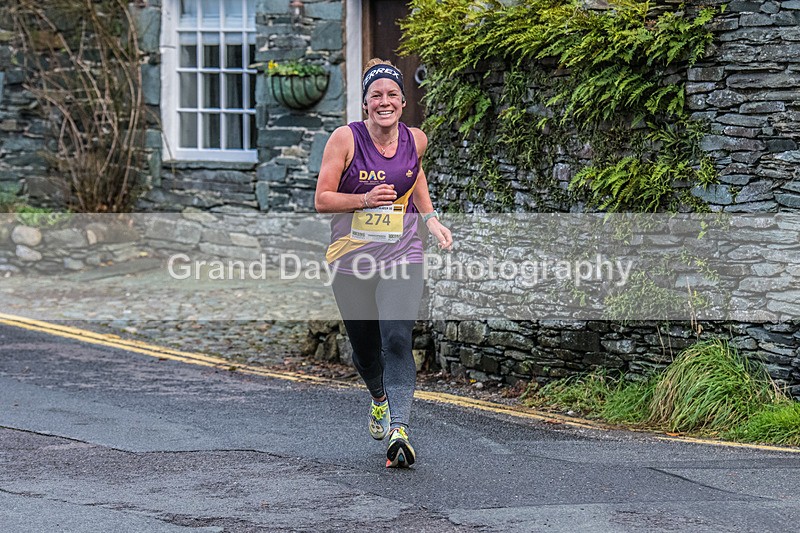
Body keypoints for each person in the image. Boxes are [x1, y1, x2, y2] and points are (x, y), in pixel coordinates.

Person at [315, 58, 453, 468]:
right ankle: (378, 396)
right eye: (376, 95)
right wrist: (363, 199)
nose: (385, 101)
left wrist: (431, 218)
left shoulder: (416, 139)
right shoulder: (345, 140)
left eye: (392, 94)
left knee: (396, 338)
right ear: (365, 104)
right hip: (351, 258)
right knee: (365, 351)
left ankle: (399, 428)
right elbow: (322, 199)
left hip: (402, 252)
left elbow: (416, 175)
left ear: (403, 101)